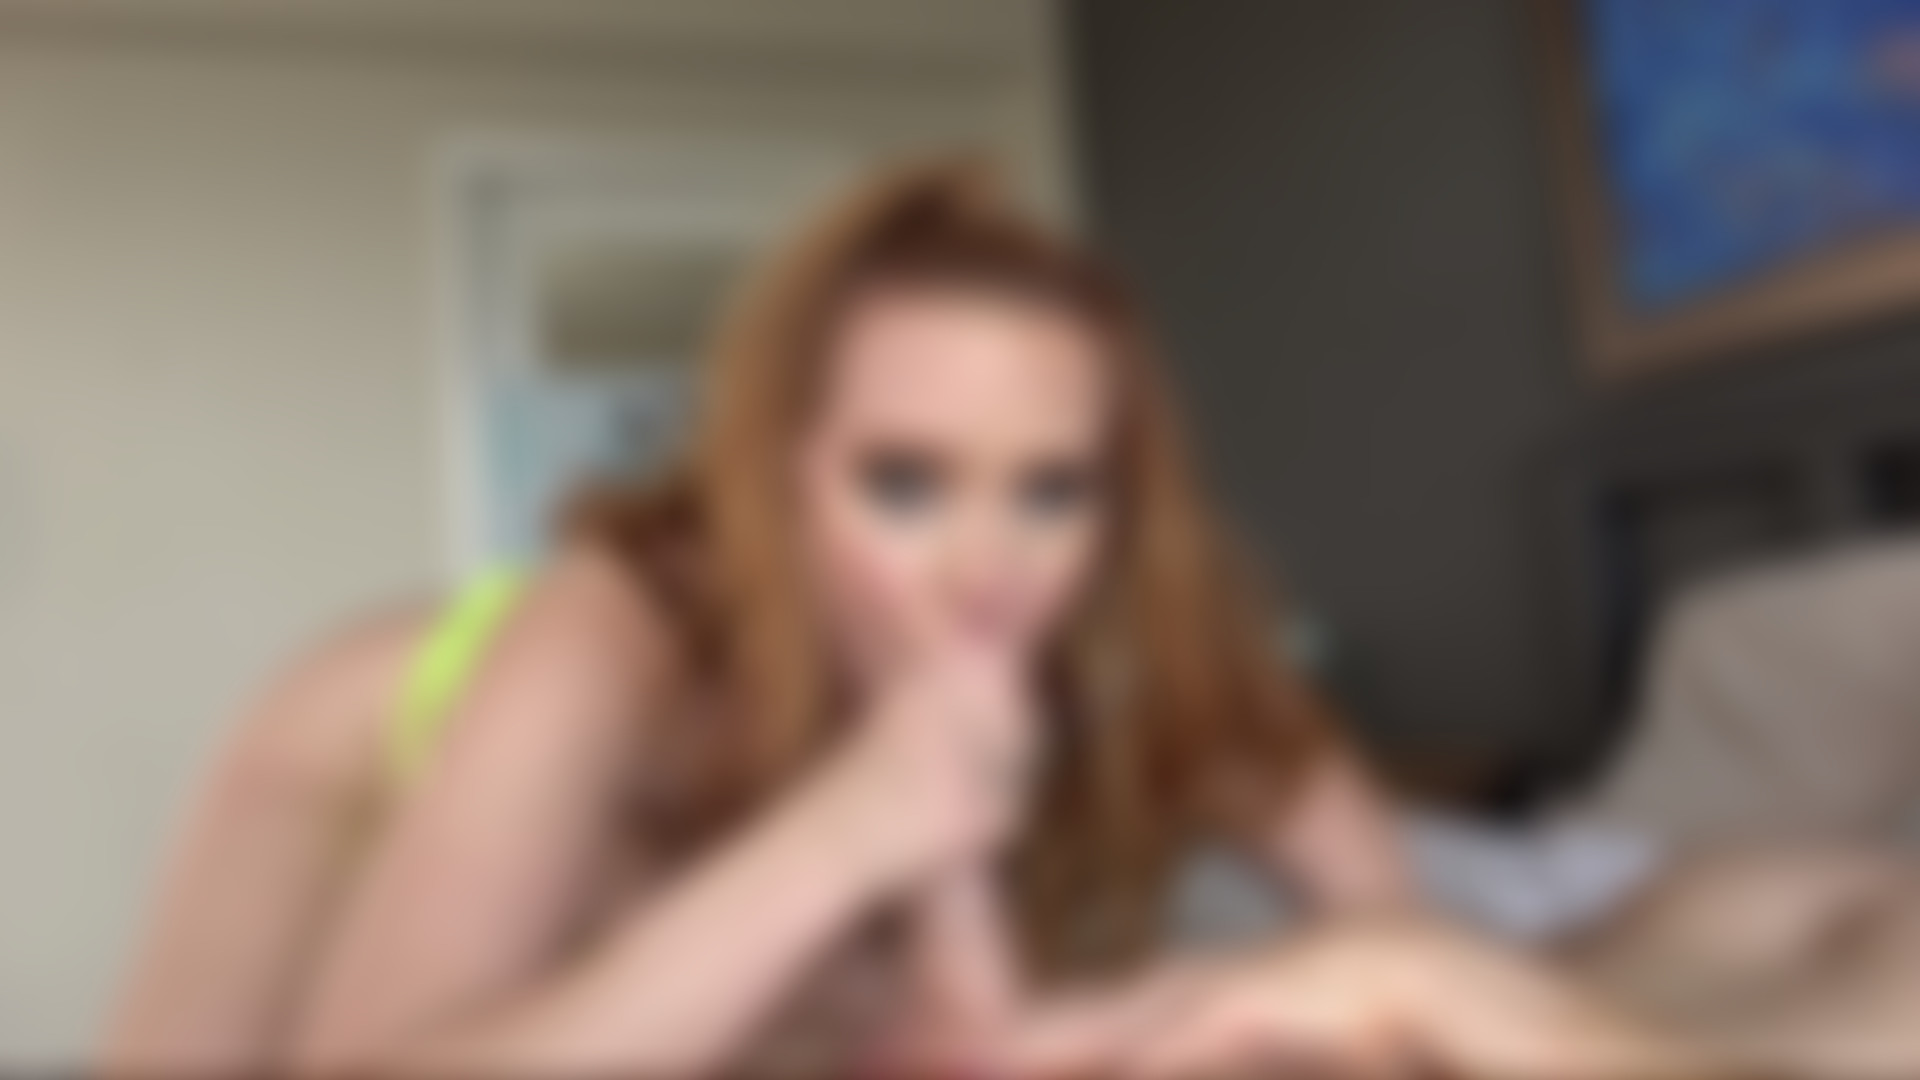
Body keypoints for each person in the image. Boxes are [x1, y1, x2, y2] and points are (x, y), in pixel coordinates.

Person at [101, 159, 1417, 1075]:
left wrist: (1243, 1013)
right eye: (904, 482)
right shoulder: (613, 635)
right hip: (368, 743)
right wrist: (846, 832)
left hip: (732, 817)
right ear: (775, 478)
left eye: (1053, 489)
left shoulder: (1152, 638)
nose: (988, 566)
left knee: (815, 1008)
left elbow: (1416, 967)